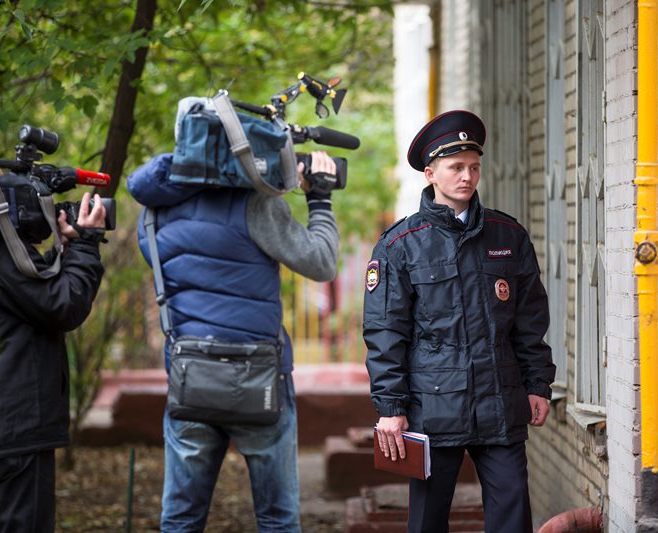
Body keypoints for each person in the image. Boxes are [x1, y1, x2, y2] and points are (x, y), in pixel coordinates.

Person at [127, 144, 339, 532]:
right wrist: (320, 199)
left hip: (190, 377)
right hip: (259, 380)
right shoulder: (255, 203)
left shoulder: (153, 211)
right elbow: (321, 262)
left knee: (180, 518)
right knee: (277, 518)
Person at [363, 110, 556, 532]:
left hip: (500, 403)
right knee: (428, 521)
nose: (467, 177)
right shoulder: (400, 245)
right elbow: (385, 332)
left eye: (474, 167)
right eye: (456, 168)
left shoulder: (508, 236)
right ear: (431, 173)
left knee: (512, 517)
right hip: (432, 407)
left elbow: (529, 320)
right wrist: (391, 407)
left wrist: (538, 384)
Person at [0, 187, 106, 532]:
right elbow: (61, 305)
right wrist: (86, 245)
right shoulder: (1, 253)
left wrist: (66, 249)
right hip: (14, 431)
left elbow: (26, 295)